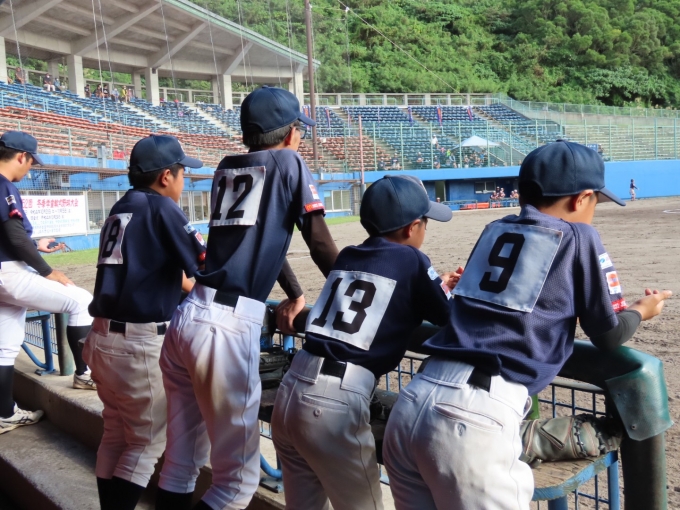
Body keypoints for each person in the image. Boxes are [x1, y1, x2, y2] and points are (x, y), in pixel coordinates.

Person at [383, 140, 673, 510]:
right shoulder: (578, 235)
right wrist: (641, 310)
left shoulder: (494, 228)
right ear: (581, 199)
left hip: (415, 399)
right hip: (474, 419)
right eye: (595, 203)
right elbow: (609, 334)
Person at [155, 86, 339, 510]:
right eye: (299, 130)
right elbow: (319, 242)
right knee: (236, 483)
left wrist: (295, 293)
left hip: (189, 319)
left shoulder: (227, 166)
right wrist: (350, 293)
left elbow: (261, 241)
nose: (300, 137)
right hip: (225, 328)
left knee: (179, 465)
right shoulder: (290, 161)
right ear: (290, 133)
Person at [271, 175, 461, 510]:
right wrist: (443, 287)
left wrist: (435, 285)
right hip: (333, 402)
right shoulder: (413, 259)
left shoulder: (349, 254)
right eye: (424, 223)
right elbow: (447, 314)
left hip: (292, 389)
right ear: (411, 228)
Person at [82, 135, 206, 510]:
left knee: (116, 434)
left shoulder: (122, 206)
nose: (184, 180)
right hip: (137, 344)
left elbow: (155, 267)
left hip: (102, 337)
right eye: (182, 172)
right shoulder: (161, 206)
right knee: (147, 443)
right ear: (166, 176)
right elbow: (205, 266)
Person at [0, 132, 96, 435]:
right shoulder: (4, 185)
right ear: (21, 156)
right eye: (30, 161)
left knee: (5, 346)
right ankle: (84, 374)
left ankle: (4, 414)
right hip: (8, 273)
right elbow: (15, 238)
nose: (30, 167)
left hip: (3, 272)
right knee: (81, 300)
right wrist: (47, 271)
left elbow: (12, 237)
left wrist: (35, 244)